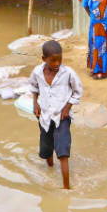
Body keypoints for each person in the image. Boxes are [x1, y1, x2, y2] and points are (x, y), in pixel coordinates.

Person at [30, 40, 83, 190]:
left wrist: (67, 107)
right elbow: (33, 86)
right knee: (46, 148)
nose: (57, 63)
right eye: (53, 60)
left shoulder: (68, 73)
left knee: (63, 152)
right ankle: (50, 168)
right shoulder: (37, 72)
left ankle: (66, 188)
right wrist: (35, 103)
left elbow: (78, 91)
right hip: (45, 116)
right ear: (44, 59)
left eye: (60, 59)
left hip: (62, 117)